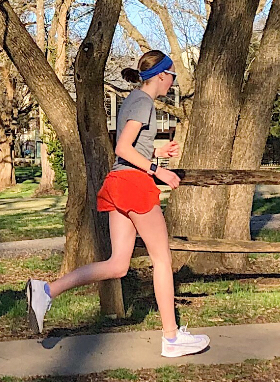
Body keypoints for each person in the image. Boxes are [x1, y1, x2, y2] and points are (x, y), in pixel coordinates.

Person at [26, 50, 210, 358]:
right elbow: (123, 147)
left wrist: (157, 153)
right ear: (162, 75)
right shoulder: (144, 102)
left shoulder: (133, 101)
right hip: (134, 185)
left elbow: (131, 147)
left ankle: (46, 291)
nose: (173, 82)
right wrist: (158, 170)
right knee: (162, 260)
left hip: (120, 183)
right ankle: (172, 338)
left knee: (117, 265)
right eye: (173, 76)